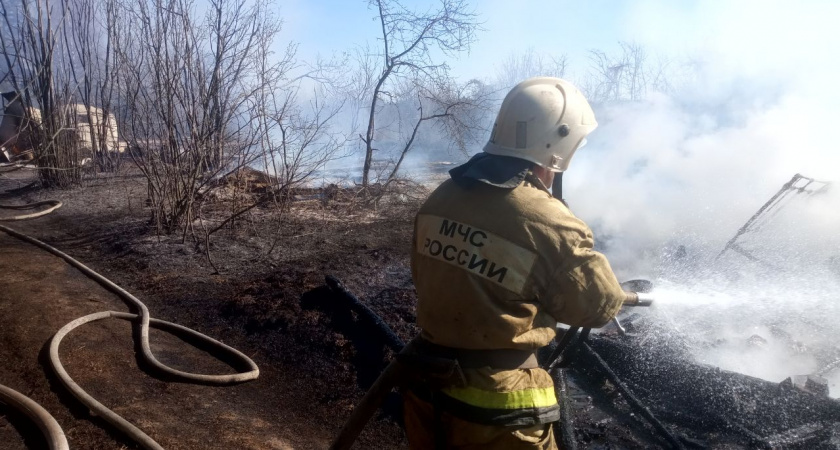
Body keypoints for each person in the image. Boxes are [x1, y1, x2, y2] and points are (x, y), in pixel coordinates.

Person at [403, 77, 639, 449]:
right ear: (562, 145)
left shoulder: (441, 196)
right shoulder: (549, 220)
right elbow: (594, 307)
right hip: (500, 411)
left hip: (426, 389)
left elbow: (427, 275)